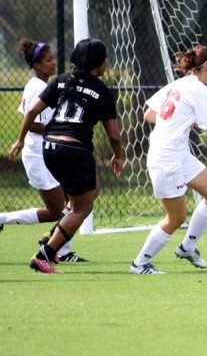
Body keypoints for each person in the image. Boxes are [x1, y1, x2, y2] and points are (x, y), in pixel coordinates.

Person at [9, 38, 124, 274]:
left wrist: (20, 139)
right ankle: (45, 254)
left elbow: (31, 111)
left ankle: (55, 236)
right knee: (81, 210)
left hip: (50, 148)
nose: (106, 63)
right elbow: (113, 134)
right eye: (104, 59)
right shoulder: (101, 91)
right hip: (75, 150)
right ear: (96, 63)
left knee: (90, 193)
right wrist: (118, 155)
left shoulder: (62, 80)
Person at [129, 45, 207, 275]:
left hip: (178, 154)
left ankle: (187, 247)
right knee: (176, 217)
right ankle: (140, 264)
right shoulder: (199, 90)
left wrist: (182, 119)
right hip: (167, 157)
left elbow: (149, 114)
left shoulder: (178, 84)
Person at [1, 40, 88, 263]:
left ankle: (62, 248)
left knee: (75, 202)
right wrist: (65, 130)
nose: (53, 63)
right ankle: (3, 219)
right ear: (37, 65)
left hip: (51, 153)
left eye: (53, 59)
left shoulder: (41, 84)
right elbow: (32, 123)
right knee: (56, 211)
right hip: (39, 155)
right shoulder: (37, 88)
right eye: (48, 60)